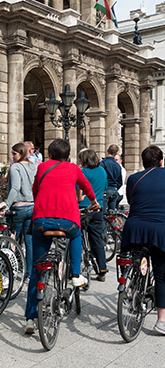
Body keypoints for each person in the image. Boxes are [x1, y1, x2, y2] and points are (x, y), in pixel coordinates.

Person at [25, 139, 98, 334]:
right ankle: (75, 274)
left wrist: (41, 204)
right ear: (68, 155)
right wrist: (94, 201)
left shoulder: (42, 167)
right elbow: (86, 186)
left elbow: (35, 190)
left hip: (41, 220)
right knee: (75, 235)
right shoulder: (73, 168)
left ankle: (30, 319)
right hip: (67, 221)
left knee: (36, 270)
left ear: (49, 154)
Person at [121, 145, 165, 335]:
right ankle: (162, 321)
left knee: (129, 256)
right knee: (162, 276)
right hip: (159, 230)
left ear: (143, 162)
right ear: (161, 161)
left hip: (135, 228)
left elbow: (132, 201)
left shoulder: (133, 178)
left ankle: (130, 289)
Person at [0, 143, 37, 279]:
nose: (12, 156)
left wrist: (7, 204)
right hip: (32, 206)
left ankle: (9, 271)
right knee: (29, 242)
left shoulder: (15, 167)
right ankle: (30, 273)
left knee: (12, 239)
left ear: (20, 154)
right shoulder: (33, 166)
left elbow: (15, 188)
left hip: (18, 207)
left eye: (14, 153)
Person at [76, 149, 108, 281]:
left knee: (77, 239)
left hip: (84, 209)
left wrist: (81, 197)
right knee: (97, 240)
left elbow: (78, 197)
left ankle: (75, 270)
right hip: (98, 209)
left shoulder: (83, 172)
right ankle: (102, 270)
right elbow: (105, 188)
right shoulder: (102, 171)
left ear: (83, 160)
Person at [100, 144, 122, 212]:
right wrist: (115, 187)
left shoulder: (103, 163)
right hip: (114, 190)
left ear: (107, 151)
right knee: (112, 214)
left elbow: (101, 178)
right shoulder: (118, 166)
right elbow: (120, 181)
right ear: (116, 153)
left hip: (106, 190)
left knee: (102, 213)